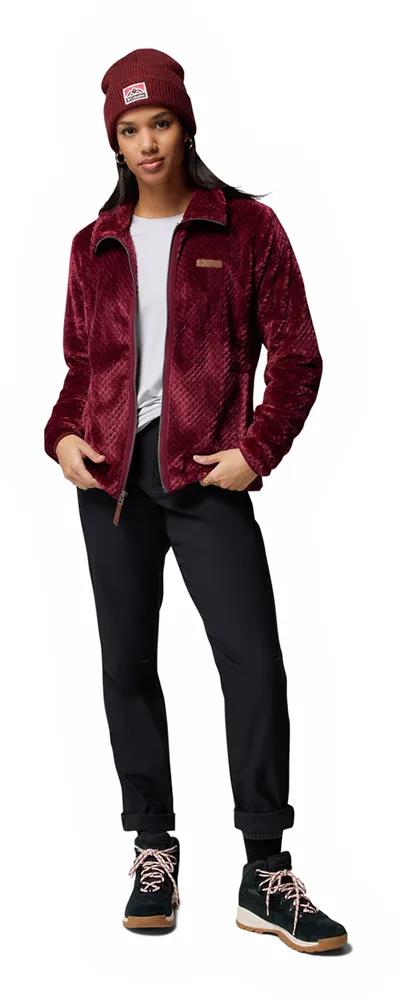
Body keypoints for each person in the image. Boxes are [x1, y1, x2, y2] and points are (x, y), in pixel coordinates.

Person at [43, 47, 348, 952]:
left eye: (161, 123)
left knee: (253, 664)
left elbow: (298, 355)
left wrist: (256, 450)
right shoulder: (93, 243)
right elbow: (81, 368)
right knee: (127, 666)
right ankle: (153, 848)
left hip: (205, 475)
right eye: (129, 129)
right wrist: (61, 437)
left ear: (186, 125)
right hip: (110, 483)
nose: (147, 143)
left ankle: (265, 869)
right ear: (114, 140)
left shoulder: (246, 228)